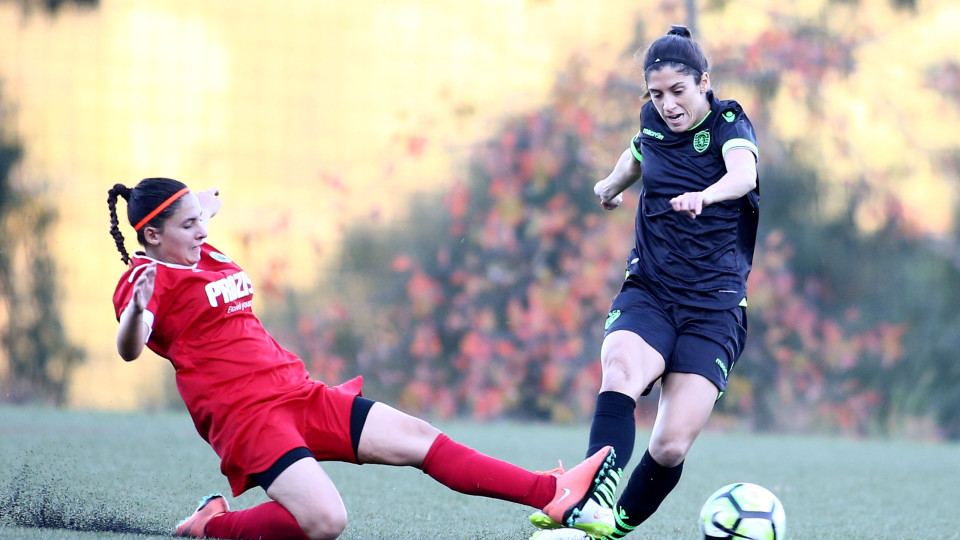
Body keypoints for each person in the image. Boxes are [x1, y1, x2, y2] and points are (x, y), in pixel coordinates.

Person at [108, 177, 619, 540]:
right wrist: (134, 313)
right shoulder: (145, 280)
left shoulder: (200, 249)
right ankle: (210, 526)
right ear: (153, 236)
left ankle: (551, 494)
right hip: (248, 418)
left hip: (297, 391)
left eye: (201, 221)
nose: (202, 230)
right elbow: (131, 347)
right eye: (189, 224)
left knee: (419, 438)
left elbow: (195, 208)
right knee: (325, 523)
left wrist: (203, 204)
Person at [528, 25, 759, 540]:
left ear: (704, 82)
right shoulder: (652, 120)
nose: (668, 105)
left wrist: (709, 195)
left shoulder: (729, 123)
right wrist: (612, 184)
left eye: (678, 92)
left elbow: (743, 175)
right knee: (621, 371)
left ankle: (614, 526)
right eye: (657, 94)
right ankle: (585, 504)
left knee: (671, 444)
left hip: (715, 306)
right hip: (650, 289)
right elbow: (639, 150)